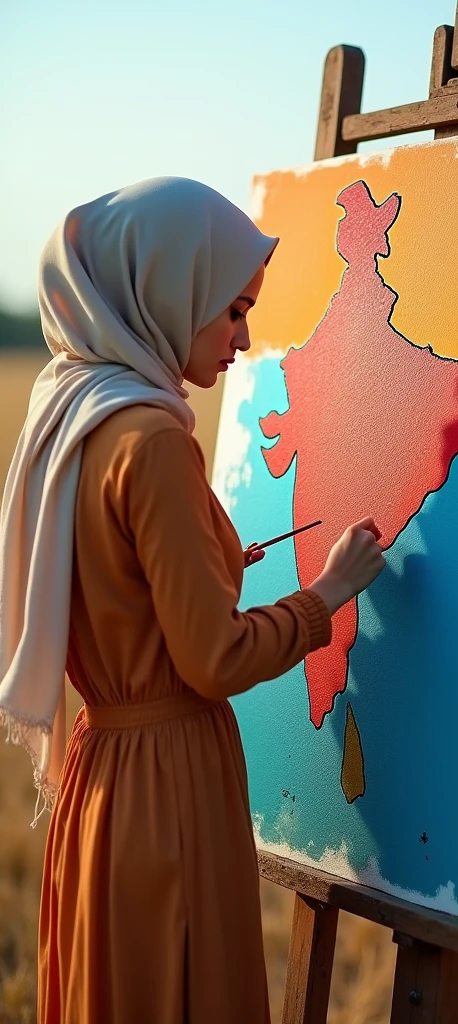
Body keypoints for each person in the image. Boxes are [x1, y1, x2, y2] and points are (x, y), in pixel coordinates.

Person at [0, 176, 386, 1023]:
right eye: (233, 310)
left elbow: (123, 593)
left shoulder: (74, 416)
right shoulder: (153, 440)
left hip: (102, 783)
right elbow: (210, 660)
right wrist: (329, 593)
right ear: (167, 295)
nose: (245, 338)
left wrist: (215, 559)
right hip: (168, 787)